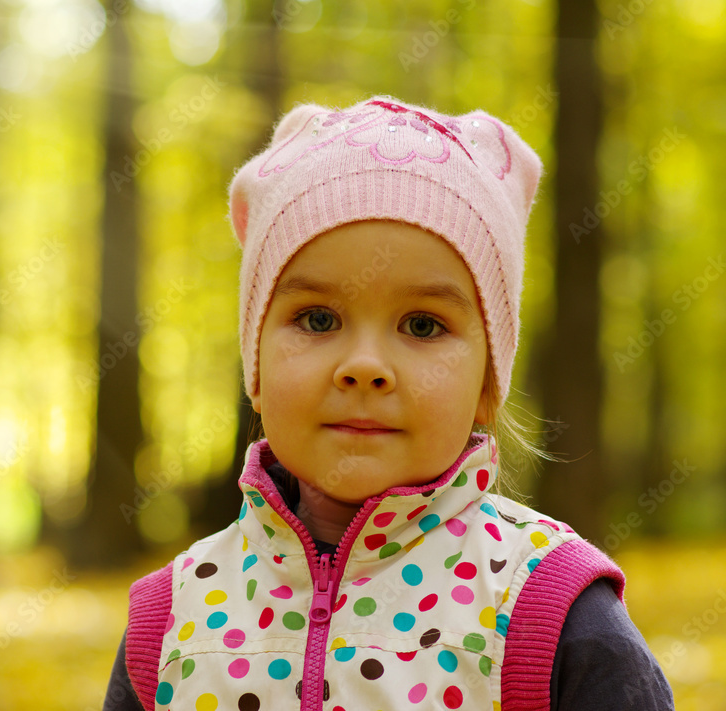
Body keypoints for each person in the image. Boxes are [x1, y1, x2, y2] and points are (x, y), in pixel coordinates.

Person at [103, 96, 673, 710]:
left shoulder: (550, 609)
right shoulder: (173, 621)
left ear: (487, 385)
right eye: (318, 319)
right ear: (258, 369)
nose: (365, 367)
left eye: (423, 325)